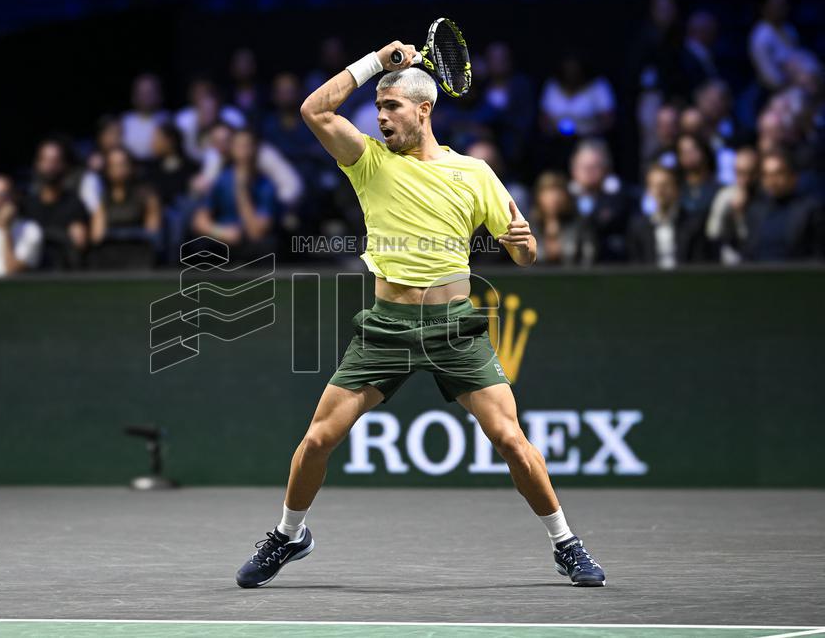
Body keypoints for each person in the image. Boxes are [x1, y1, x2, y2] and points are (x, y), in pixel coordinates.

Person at [234, 41, 605, 589]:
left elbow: (524, 254)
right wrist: (376, 64)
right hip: (386, 326)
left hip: (454, 326)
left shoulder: (475, 173)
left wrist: (524, 245)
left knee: (510, 438)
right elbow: (313, 111)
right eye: (378, 107)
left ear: (424, 109)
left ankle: (565, 543)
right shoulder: (368, 162)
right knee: (317, 440)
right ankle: (290, 535)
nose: (380, 116)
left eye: (391, 107)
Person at [190, 129, 276, 259]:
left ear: (255, 149)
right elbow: (199, 221)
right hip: (223, 237)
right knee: (198, 245)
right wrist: (222, 233)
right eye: (239, 146)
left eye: (247, 146)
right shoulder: (222, 179)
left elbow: (256, 233)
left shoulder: (265, 185)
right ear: (232, 149)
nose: (244, 151)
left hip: (249, 240)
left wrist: (242, 190)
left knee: (267, 246)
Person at [743, 150, 824, 261]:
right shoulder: (755, 211)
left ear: (793, 177)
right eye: (766, 175)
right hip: (760, 276)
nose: (772, 181)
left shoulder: (811, 210)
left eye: (778, 174)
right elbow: (748, 253)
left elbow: (818, 255)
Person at [628, 164, 709, 268]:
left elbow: (699, 265)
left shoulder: (694, 224)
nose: (660, 191)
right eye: (655, 186)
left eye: (665, 185)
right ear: (648, 191)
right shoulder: (637, 227)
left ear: (677, 189)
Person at [706, 147, 759, 264]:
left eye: (750, 173)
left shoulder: (765, 198)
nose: (745, 180)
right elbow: (713, 233)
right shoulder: (725, 196)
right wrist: (733, 214)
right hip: (730, 259)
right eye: (740, 173)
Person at [528, 171, 586, 266]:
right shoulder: (528, 226)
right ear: (538, 196)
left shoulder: (581, 224)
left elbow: (588, 261)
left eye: (558, 192)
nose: (554, 198)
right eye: (548, 192)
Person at [121, 73, 170, 159]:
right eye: (141, 93)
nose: (146, 97)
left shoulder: (167, 119)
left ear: (159, 94)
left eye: (150, 92)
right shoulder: (124, 122)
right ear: (134, 96)